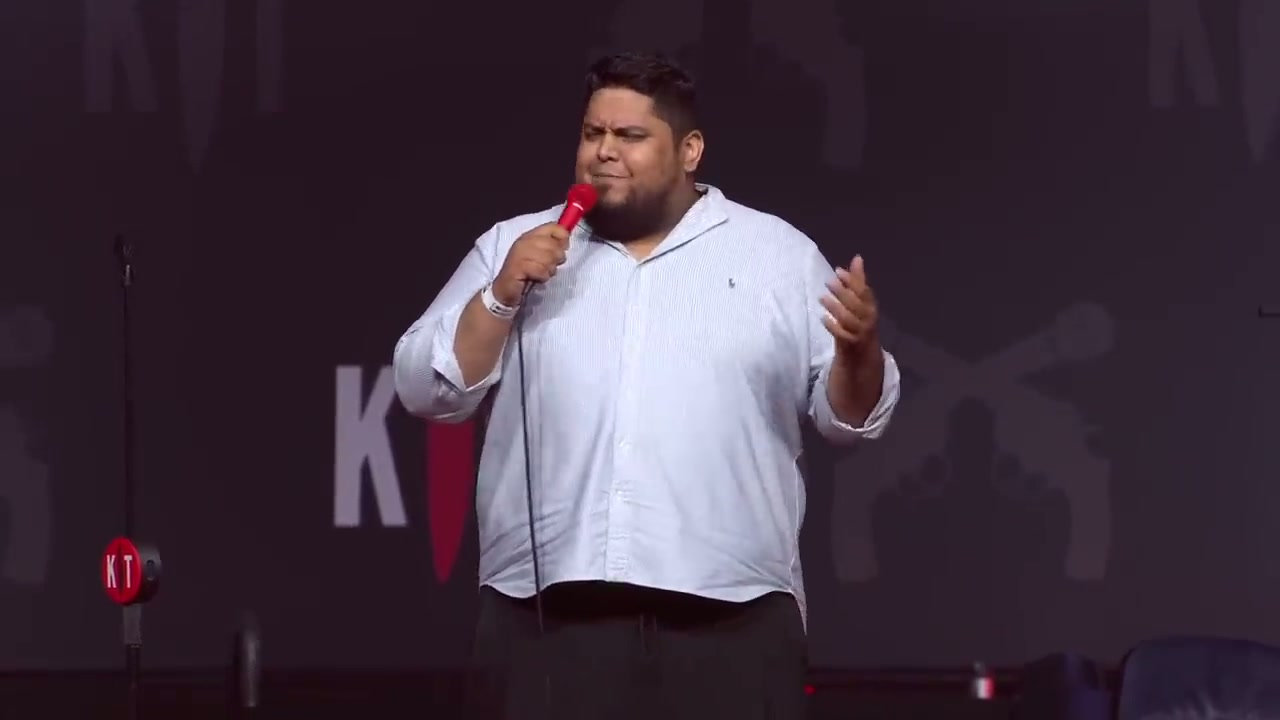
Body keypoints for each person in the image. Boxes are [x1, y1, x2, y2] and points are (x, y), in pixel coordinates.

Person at [393, 51, 901, 720]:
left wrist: (859, 351)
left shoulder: (777, 255)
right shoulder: (514, 245)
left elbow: (852, 421)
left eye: (629, 136)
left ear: (690, 151)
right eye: (592, 133)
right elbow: (424, 388)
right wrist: (499, 296)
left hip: (733, 618)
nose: (603, 152)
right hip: (544, 617)